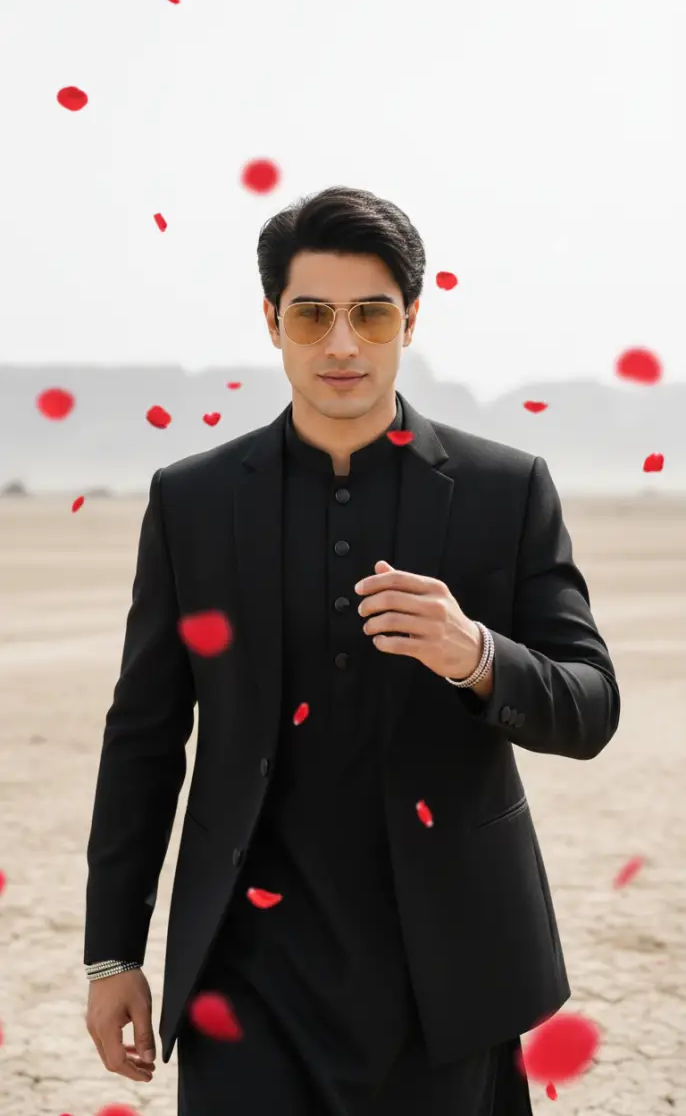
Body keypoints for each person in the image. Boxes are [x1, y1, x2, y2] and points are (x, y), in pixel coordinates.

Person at [84, 185, 620, 1115]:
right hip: (243, 974)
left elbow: (591, 705)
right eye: (313, 314)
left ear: (411, 319)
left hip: (447, 971)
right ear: (272, 321)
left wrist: (478, 655)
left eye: (371, 314)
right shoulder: (194, 502)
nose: (341, 344)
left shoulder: (505, 490)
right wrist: (113, 953)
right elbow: (143, 734)